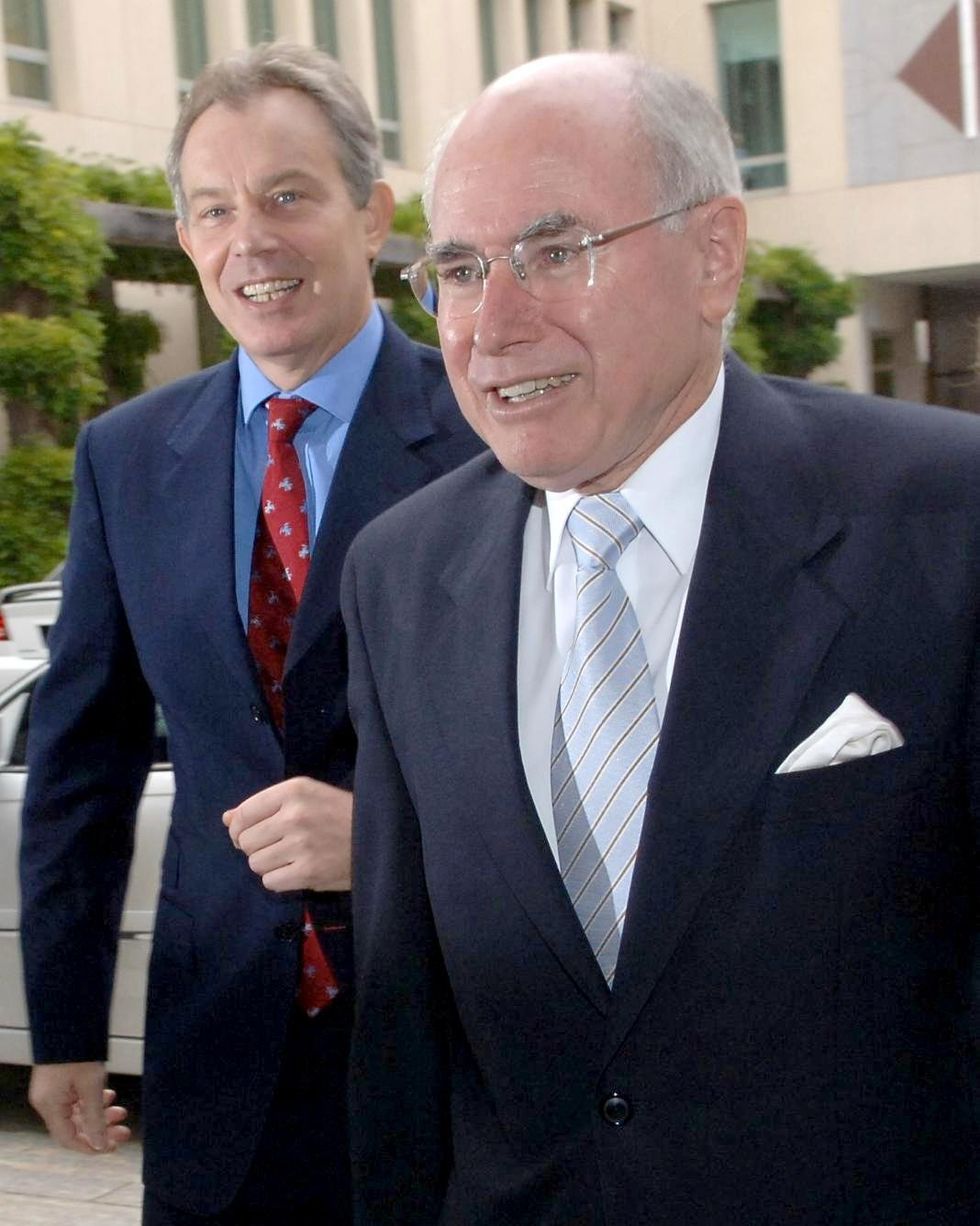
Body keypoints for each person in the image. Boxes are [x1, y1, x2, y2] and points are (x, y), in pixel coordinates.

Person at [340, 51, 980, 1225]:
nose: (490, 325)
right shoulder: (398, 572)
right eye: (461, 268)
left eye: (553, 250)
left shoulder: (942, 517)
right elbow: (402, 1013)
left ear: (712, 253)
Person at [19, 42, 481, 1226]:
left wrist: (390, 837)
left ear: (372, 215)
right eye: (214, 209)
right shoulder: (126, 456)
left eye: (287, 196)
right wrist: (65, 1026)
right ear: (184, 241)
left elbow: (590, 749)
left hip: (459, 1044)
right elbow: (82, 761)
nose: (249, 239)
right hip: (215, 1053)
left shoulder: (491, 432)